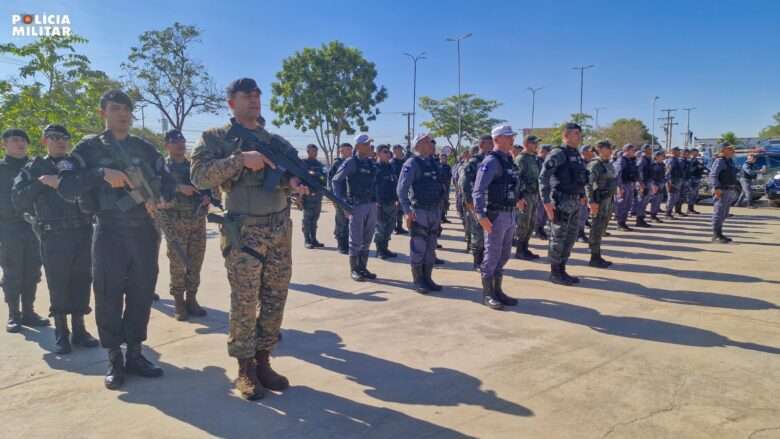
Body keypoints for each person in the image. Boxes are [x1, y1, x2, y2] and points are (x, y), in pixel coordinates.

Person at [191, 78, 309, 400]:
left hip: (279, 230)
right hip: (244, 231)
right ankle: (244, 368)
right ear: (231, 102)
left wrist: (296, 183)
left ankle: (263, 361)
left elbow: (287, 177)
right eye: (247, 95)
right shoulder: (216, 138)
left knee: (275, 297)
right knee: (244, 300)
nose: (255, 100)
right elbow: (199, 176)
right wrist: (240, 159)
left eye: (258, 95)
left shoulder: (275, 141)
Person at [58, 89, 175, 390]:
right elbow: (66, 186)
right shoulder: (87, 149)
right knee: (108, 293)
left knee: (141, 291)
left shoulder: (145, 148)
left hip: (144, 230)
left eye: (126, 108)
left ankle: (135, 353)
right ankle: (114, 357)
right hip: (109, 229)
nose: (122, 113)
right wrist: (101, 173)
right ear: (103, 113)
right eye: (115, 108)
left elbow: (169, 181)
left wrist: (159, 197)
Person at [12, 124, 98, 353]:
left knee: (82, 279)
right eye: (55, 137)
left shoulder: (77, 164)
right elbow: (18, 199)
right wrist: (41, 182)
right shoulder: (34, 167)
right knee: (58, 282)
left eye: (65, 138)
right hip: (53, 234)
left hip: (82, 230)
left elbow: (93, 187)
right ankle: (62, 332)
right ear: (44, 141)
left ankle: (79, 329)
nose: (61, 141)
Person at [157, 129, 209, 321]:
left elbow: (206, 185)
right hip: (174, 222)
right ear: (167, 145)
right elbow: (154, 189)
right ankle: (178, 301)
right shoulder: (162, 168)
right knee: (178, 263)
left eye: (182, 140)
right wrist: (179, 188)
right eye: (174, 141)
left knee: (196, 261)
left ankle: (192, 299)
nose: (180, 144)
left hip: (197, 220)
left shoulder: (193, 166)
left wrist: (206, 197)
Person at [1, 129, 48, 334]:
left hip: (34, 228)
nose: (20, 143)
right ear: (4, 144)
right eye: (14, 140)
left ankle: (29, 312)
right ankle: (14, 314)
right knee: (12, 272)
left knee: (32, 271)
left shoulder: (36, 167)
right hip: (8, 227)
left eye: (23, 140)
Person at [473, 124, 523, 310]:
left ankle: (498, 290)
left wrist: (518, 199)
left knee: (504, 254)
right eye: (508, 136)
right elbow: (478, 190)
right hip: (495, 215)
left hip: (509, 214)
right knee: (492, 255)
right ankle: (488, 294)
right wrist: (481, 215)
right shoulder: (491, 162)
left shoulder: (508, 160)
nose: (512, 139)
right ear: (497, 139)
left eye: (512, 136)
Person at [540, 123, 589, 286]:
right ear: (566, 135)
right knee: (558, 236)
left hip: (575, 200)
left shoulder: (576, 154)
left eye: (580, 133)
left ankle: (562, 268)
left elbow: (580, 177)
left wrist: (582, 195)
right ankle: (555, 272)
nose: (579, 136)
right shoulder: (558, 153)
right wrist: (546, 201)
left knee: (571, 236)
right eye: (576, 133)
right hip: (561, 201)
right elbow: (543, 177)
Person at [397, 133, 443, 293]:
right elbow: (401, 190)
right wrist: (407, 212)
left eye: (430, 141)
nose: (431, 144)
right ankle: (418, 280)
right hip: (419, 211)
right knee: (419, 247)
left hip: (434, 210)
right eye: (426, 142)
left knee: (431, 247)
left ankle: (428, 278)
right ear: (418, 146)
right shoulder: (412, 163)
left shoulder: (433, 163)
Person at [332, 134, 378, 282]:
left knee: (367, 238)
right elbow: (336, 181)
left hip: (371, 205)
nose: (369, 147)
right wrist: (342, 203)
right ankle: (354, 270)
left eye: (370, 144)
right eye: (366, 144)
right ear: (358, 146)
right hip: (356, 206)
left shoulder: (371, 163)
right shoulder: (351, 162)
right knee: (356, 239)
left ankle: (363, 267)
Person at [459, 135, 493, 270]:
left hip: (491, 202)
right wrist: (469, 202)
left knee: (489, 233)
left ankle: (487, 259)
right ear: (481, 145)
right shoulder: (474, 162)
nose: (491, 146)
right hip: (477, 203)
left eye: (492, 143)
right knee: (478, 233)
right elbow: (465, 183)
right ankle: (477, 261)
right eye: (489, 143)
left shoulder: (493, 160)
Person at [586, 140, 617, 268]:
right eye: (608, 148)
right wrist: (591, 202)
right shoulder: (595, 165)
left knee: (602, 227)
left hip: (608, 200)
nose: (611, 151)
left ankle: (598, 255)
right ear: (600, 149)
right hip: (598, 201)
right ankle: (594, 257)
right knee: (596, 228)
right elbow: (588, 184)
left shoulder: (608, 164)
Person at [513, 135, 542, 260]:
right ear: (527, 144)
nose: (537, 145)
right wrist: (519, 197)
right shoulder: (521, 159)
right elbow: (516, 179)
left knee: (531, 224)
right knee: (523, 224)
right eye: (534, 143)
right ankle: (520, 250)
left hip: (534, 194)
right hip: (525, 196)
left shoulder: (534, 158)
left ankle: (525, 248)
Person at [709, 143, 741, 242]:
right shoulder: (719, 161)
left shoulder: (729, 161)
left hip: (729, 189)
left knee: (724, 213)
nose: (732, 150)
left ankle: (719, 233)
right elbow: (713, 175)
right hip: (721, 190)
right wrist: (717, 188)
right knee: (719, 213)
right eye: (730, 149)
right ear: (723, 150)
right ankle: (716, 234)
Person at [374, 145, 399, 259]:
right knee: (380, 228)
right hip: (380, 203)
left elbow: (395, 184)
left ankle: (385, 248)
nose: (388, 154)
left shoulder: (390, 167)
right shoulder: (375, 168)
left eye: (388, 152)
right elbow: (372, 187)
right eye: (385, 152)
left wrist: (397, 199)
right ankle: (380, 250)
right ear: (378, 153)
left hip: (392, 202)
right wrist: (376, 202)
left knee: (390, 226)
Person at [301, 144, 326, 249]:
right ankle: (307, 240)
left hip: (318, 195)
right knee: (307, 219)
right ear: (307, 151)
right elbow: (301, 176)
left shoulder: (319, 164)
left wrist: (316, 174)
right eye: (311, 151)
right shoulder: (303, 163)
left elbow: (323, 178)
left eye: (315, 151)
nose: (314, 153)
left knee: (315, 219)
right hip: (307, 195)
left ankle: (314, 239)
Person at [329, 143, 352, 254]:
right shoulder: (337, 163)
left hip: (351, 198)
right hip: (340, 197)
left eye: (350, 150)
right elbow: (331, 181)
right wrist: (333, 197)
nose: (349, 152)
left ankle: (347, 243)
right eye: (346, 150)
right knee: (341, 221)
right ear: (341, 151)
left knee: (349, 223)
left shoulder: (353, 162)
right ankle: (341, 245)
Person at [613, 144, 638, 231]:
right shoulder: (621, 161)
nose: (634, 152)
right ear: (627, 150)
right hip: (623, 185)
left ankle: (623, 222)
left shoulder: (630, 161)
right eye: (633, 150)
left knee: (627, 205)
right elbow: (618, 175)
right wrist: (620, 187)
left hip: (629, 184)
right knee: (621, 204)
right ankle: (619, 224)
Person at [633, 144, 654, 227]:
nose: (650, 150)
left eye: (650, 148)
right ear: (644, 150)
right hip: (643, 183)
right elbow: (639, 172)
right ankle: (639, 220)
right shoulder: (642, 159)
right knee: (641, 201)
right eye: (649, 149)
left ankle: (641, 218)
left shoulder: (649, 159)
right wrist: (641, 184)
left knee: (645, 201)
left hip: (648, 182)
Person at [534, 144, 552, 239]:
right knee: (539, 212)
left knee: (545, 212)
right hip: (538, 190)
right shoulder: (536, 161)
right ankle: (538, 229)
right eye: (547, 151)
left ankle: (541, 228)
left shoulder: (546, 162)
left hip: (547, 189)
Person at [577, 145, 595, 241]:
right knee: (581, 214)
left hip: (588, 192)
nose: (592, 153)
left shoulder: (590, 163)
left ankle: (581, 232)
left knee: (585, 214)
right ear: (584, 152)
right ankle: (579, 234)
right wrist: (581, 195)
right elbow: (579, 180)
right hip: (581, 194)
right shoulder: (580, 163)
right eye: (590, 151)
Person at [392, 144, 409, 234]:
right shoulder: (392, 162)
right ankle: (394, 227)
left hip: (403, 188)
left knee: (401, 210)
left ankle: (399, 226)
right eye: (398, 150)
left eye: (401, 150)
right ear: (394, 151)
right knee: (395, 209)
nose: (400, 152)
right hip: (394, 188)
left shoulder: (404, 162)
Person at [664, 147, 685, 219]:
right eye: (678, 151)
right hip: (672, 182)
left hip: (677, 182)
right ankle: (667, 213)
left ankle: (669, 212)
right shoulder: (671, 160)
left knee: (675, 198)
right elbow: (668, 172)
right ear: (673, 152)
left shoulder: (677, 160)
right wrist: (669, 182)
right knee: (671, 198)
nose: (679, 152)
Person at [649, 150, 667, 223]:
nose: (662, 157)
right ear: (656, 157)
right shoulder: (653, 165)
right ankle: (652, 216)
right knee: (655, 201)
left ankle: (655, 215)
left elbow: (664, 175)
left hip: (661, 184)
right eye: (660, 156)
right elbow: (651, 176)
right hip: (655, 185)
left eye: (662, 156)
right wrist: (653, 185)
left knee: (659, 200)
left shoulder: (662, 165)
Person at [686, 148, 706, 214]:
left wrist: (701, 168)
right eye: (695, 152)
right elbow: (690, 170)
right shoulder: (690, 160)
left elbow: (702, 168)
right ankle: (689, 209)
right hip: (692, 179)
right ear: (692, 153)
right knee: (691, 194)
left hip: (697, 178)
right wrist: (697, 167)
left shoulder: (696, 160)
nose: (697, 153)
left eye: (697, 152)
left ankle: (692, 208)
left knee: (695, 194)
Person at [675, 148, 692, 216]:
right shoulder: (680, 161)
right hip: (680, 180)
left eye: (687, 153)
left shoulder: (687, 161)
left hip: (686, 180)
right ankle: (677, 210)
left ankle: (679, 210)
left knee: (683, 196)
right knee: (679, 196)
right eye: (685, 153)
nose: (686, 154)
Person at [438, 153, 452, 223]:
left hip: (447, 187)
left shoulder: (448, 167)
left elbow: (450, 176)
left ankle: (443, 217)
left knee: (446, 203)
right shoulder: (437, 166)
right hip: (439, 188)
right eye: (442, 158)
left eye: (445, 158)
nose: (444, 159)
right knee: (440, 203)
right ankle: (439, 218)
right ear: (440, 158)